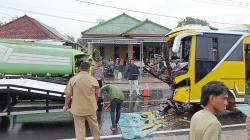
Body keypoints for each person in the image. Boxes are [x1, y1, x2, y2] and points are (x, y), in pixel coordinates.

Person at [63, 62, 100, 140]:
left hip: (77, 108)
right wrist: (93, 103)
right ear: (89, 69)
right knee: (94, 126)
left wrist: (66, 106)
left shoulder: (73, 79)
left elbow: (68, 96)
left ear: (79, 68)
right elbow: (97, 95)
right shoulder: (93, 80)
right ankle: (96, 138)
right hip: (91, 108)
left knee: (79, 129)